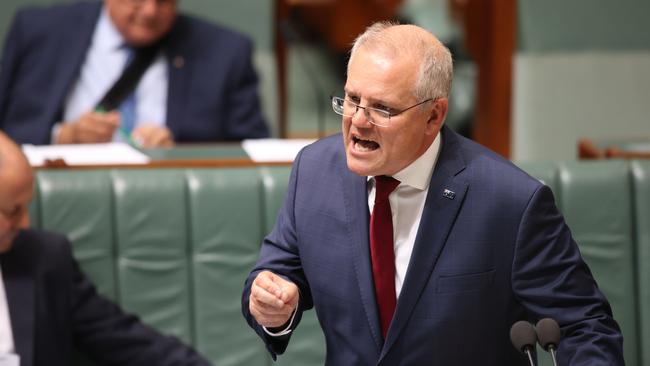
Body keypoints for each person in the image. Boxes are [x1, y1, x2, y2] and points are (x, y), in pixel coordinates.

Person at [242, 22, 624, 365]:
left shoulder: (511, 202)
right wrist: (272, 306)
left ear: (433, 116)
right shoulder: (314, 171)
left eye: (381, 108)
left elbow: (586, 328)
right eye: (352, 99)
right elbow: (276, 273)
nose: (358, 121)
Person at [0, 131, 212, 365]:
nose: (24, 223)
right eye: (13, 211)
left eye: (25, 207)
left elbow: (125, 341)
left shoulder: (42, 257)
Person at [0, 0, 269, 148]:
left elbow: (251, 148)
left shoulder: (226, 51)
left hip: (167, 197)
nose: (150, 10)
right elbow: (9, 131)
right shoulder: (39, 32)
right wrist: (63, 137)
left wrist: (176, 156)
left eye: (164, 0)